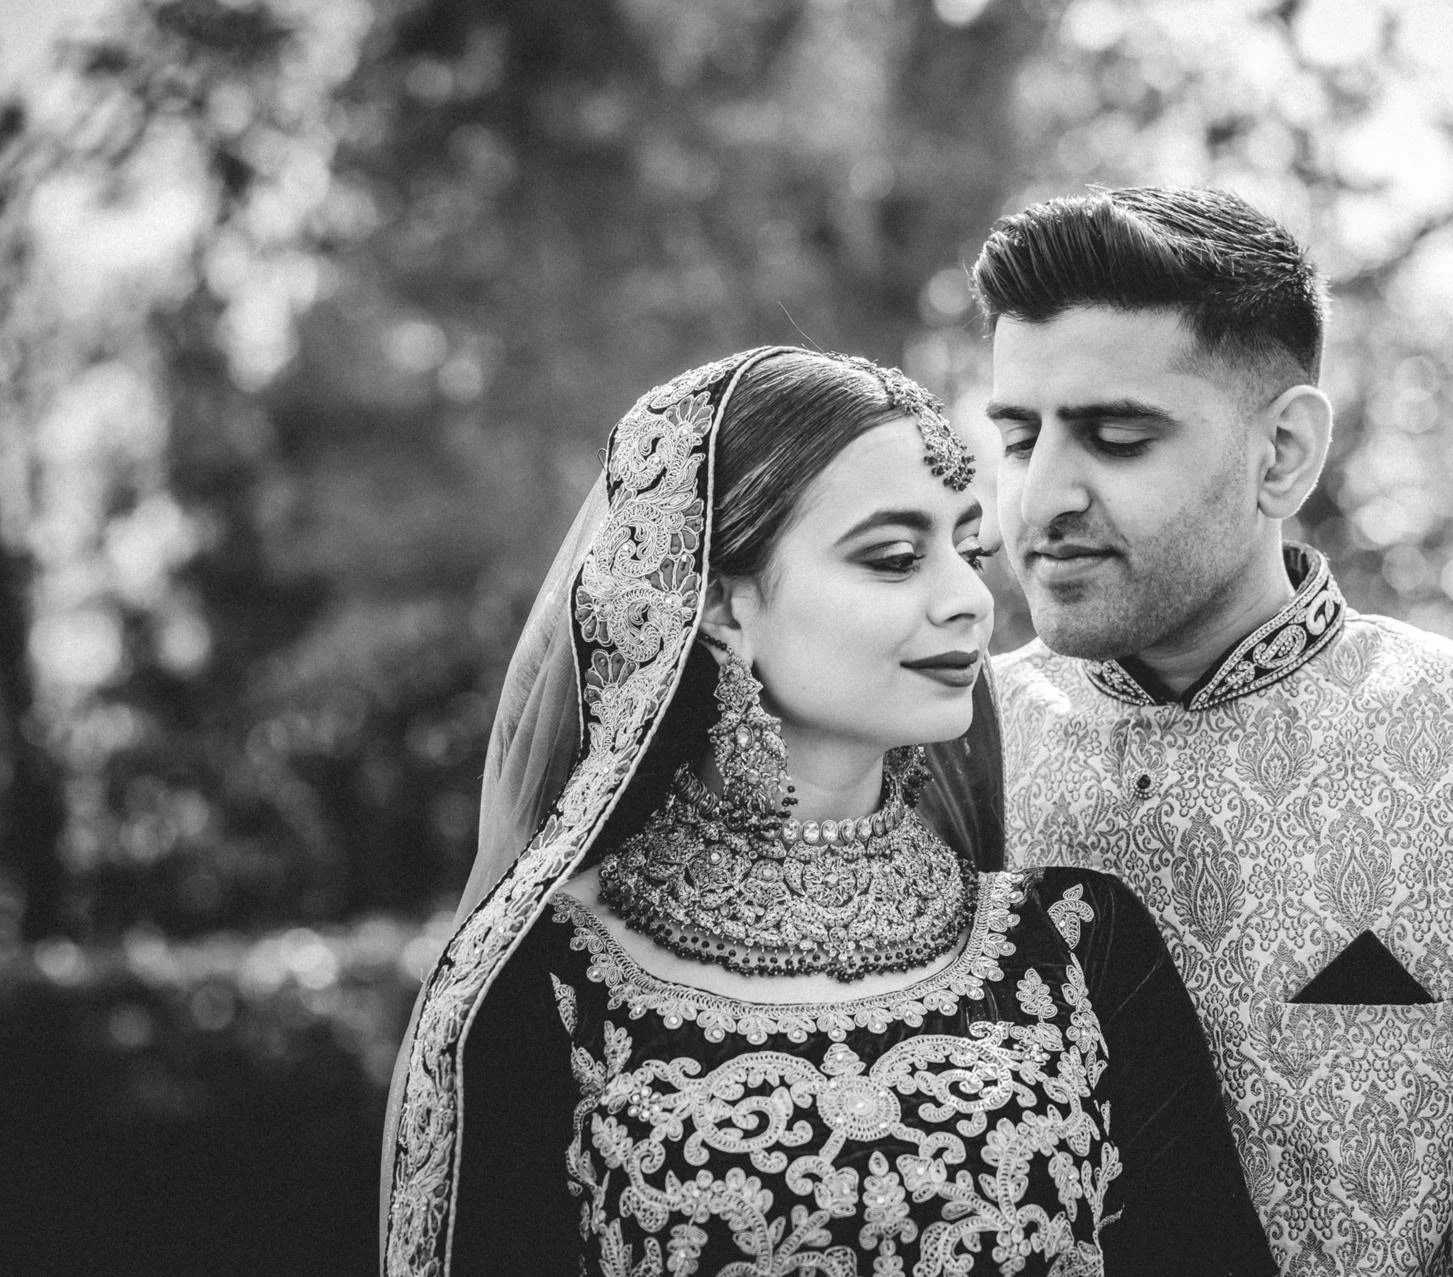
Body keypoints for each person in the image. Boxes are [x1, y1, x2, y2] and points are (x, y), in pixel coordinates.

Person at [377, 346, 1275, 1277]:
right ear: (723, 605)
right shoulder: (547, 979)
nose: (970, 600)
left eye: (967, 551)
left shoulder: (1080, 944)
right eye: (893, 558)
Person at [972, 187, 1453, 1276]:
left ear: (1283, 453)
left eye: (1115, 437)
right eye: (1017, 436)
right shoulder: (937, 749)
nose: (1038, 499)